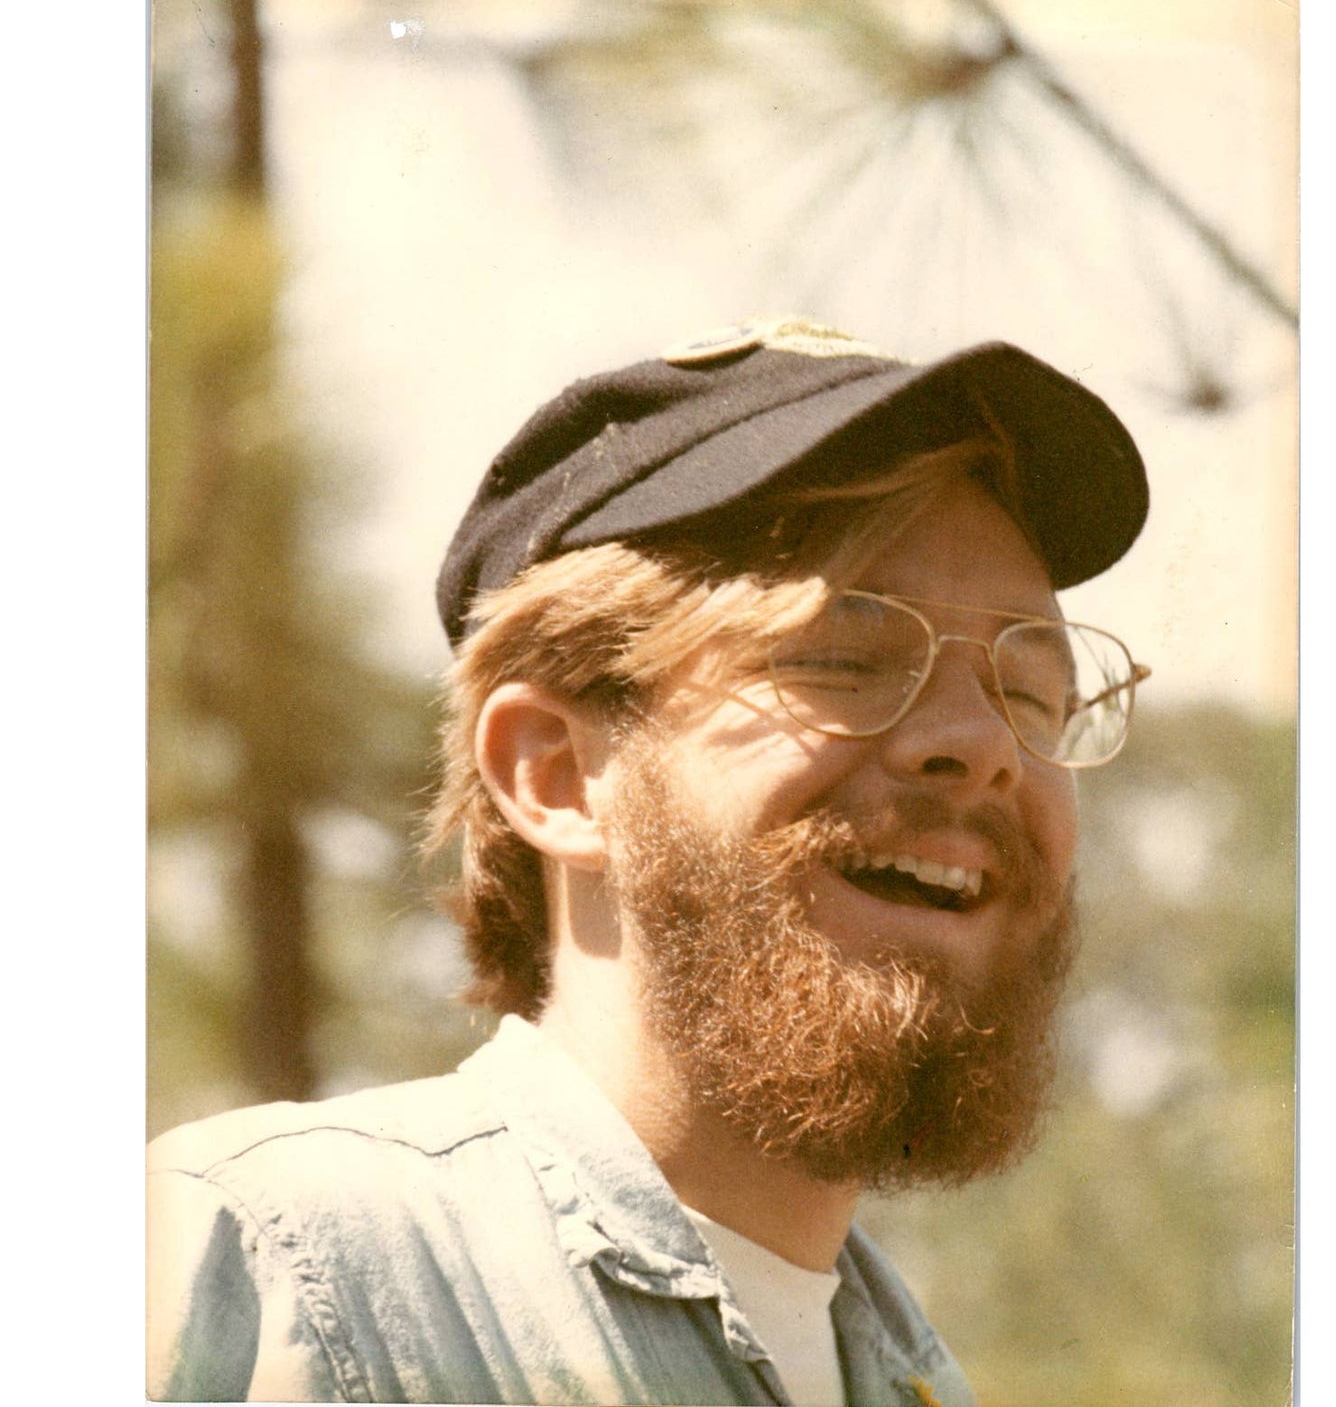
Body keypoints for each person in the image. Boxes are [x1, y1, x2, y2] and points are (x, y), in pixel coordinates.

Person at [147, 316, 1150, 1405]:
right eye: (843, 658)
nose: (986, 746)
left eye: (1030, 691)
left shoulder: (912, 1376)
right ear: (557, 774)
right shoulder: (253, 1271)